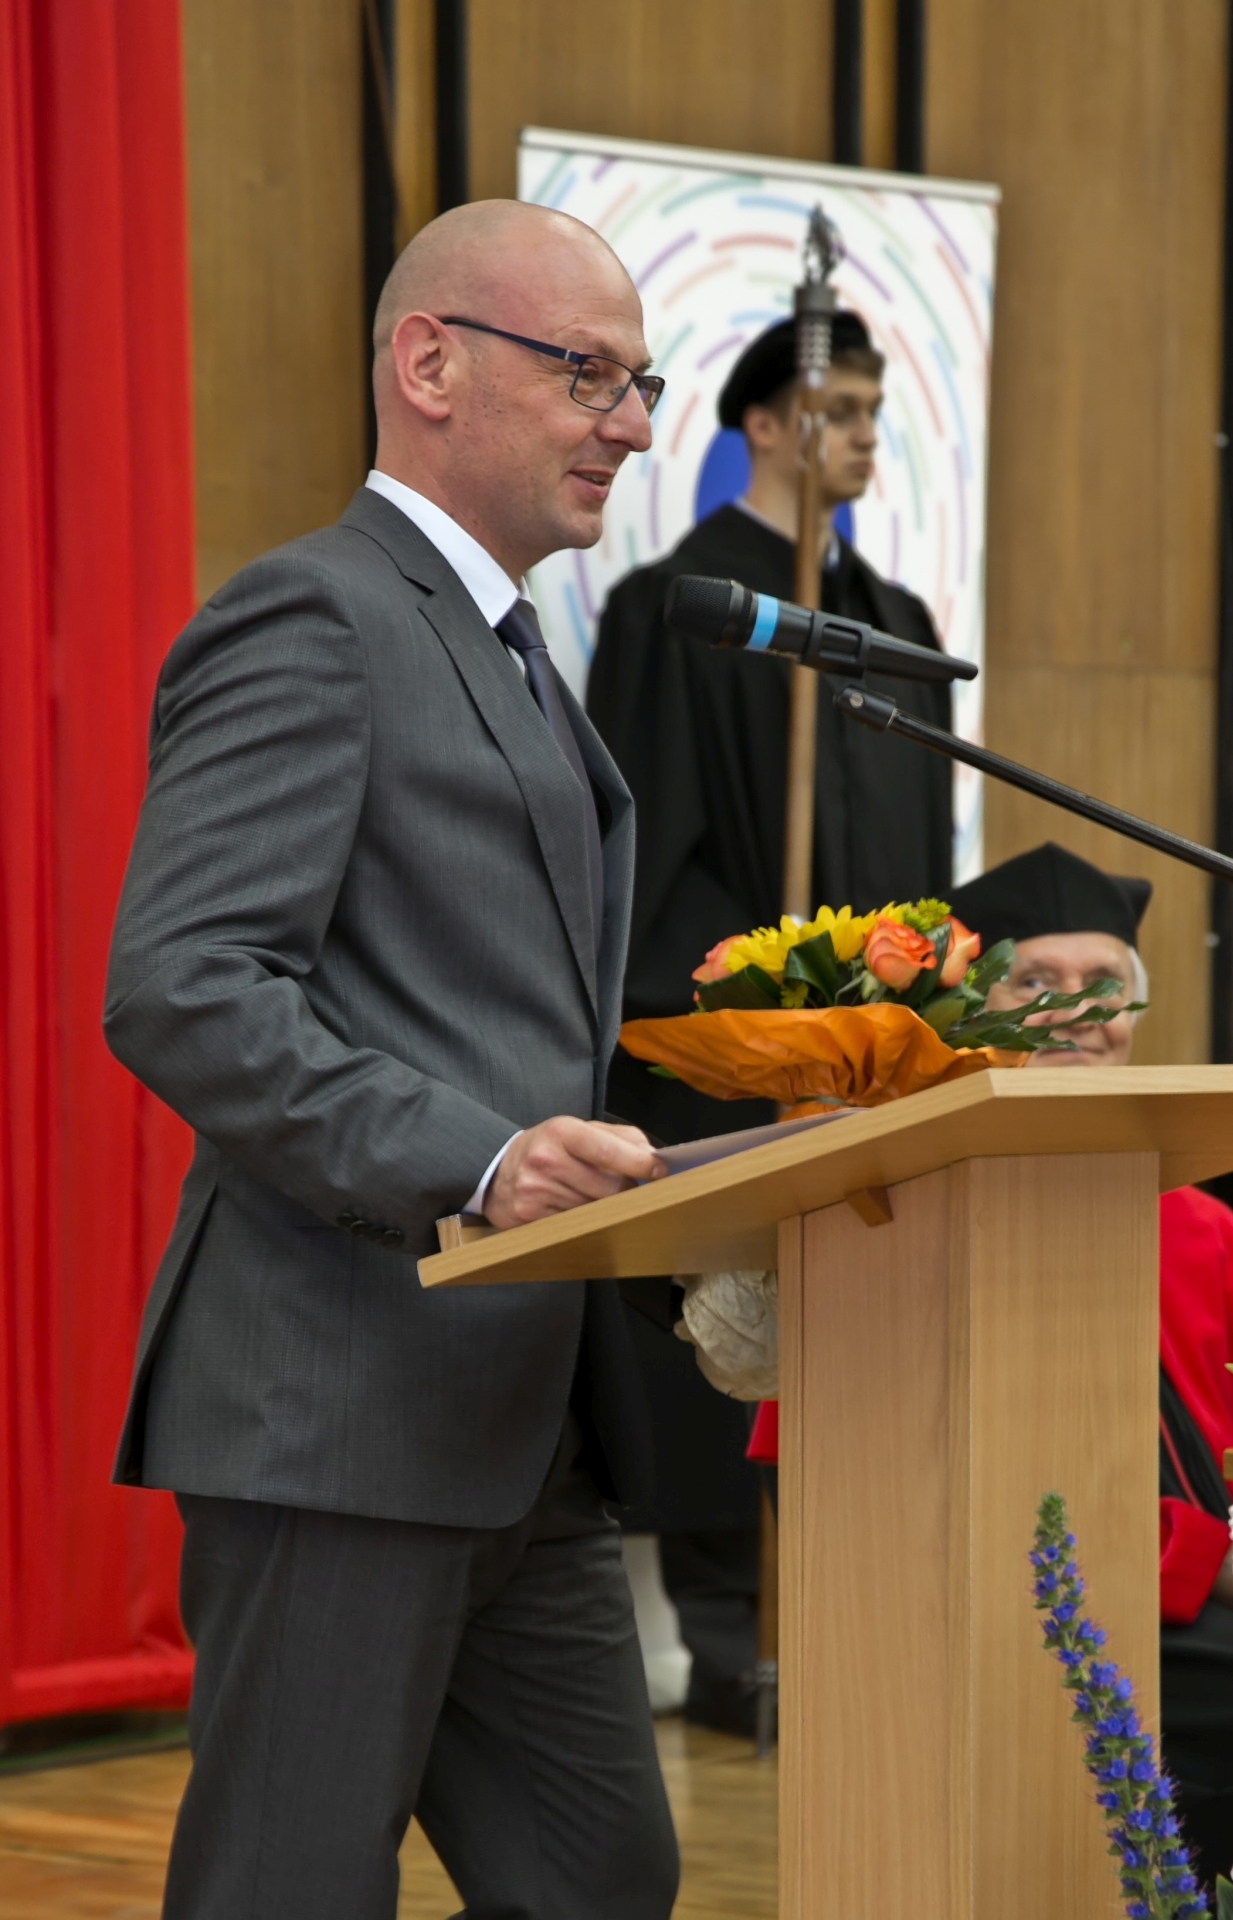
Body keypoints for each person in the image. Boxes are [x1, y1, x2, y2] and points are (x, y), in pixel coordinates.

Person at [103, 199, 683, 1920]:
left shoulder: (516, 655)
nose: (631, 426)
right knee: (287, 1887)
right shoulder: (316, 616)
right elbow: (187, 986)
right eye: (587, 374)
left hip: (524, 1422)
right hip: (340, 1404)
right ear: (430, 364)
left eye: (641, 384)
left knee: (601, 1878)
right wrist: (479, 1160)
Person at [586, 310, 954, 1733]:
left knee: (871, 1331)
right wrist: (764, 1002)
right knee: (727, 1334)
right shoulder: (676, 611)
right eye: (837, 407)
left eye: (871, 409)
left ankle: (863, 1612)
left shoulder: (895, 625)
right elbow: (639, 843)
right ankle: (728, 1633)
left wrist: (897, 999)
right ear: (766, 423)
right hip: (732, 1049)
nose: (861, 433)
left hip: (875, 1059)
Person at [952, 842, 1233, 1891]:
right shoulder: (907, 1208)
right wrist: (1210, 1563)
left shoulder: (1203, 1225)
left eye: (1102, 984)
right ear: (969, 1011)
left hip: (1227, 1591)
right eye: (1032, 983)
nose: (1074, 1012)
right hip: (1042, 1610)